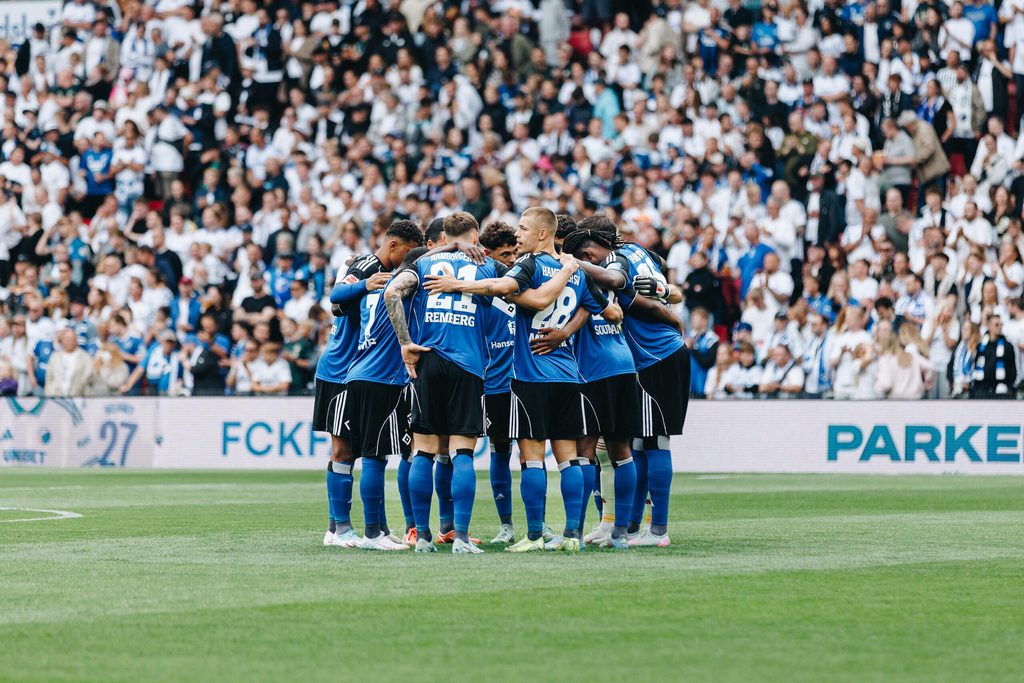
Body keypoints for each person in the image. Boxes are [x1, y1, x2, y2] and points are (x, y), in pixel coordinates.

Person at [424, 207, 621, 552]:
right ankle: (573, 535)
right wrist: (565, 329)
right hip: (568, 375)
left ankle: (532, 536)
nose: (518, 235)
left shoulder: (528, 265)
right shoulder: (574, 271)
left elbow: (502, 285)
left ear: (542, 233)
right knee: (569, 458)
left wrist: (457, 284)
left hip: (531, 374)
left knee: (532, 458)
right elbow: (611, 311)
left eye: (524, 228)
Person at [382, 212, 498, 555]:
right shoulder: (485, 266)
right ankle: (461, 537)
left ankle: (423, 537)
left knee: (423, 450)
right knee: (463, 451)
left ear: (443, 235)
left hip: (428, 359)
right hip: (468, 363)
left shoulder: (422, 263)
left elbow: (391, 295)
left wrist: (405, 343)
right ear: (474, 236)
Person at [313, 219, 423, 549]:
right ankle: (341, 528)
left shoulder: (379, 274)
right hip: (340, 369)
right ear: (393, 246)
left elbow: (338, 305)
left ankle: (355, 528)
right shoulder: (367, 266)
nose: (409, 263)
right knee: (347, 450)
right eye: (407, 253)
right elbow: (336, 297)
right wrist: (364, 283)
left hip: (354, 368)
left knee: (360, 450)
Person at [476, 221, 520, 544]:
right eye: (505, 254)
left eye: (514, 252)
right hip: (495, 386)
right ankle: (506, 526)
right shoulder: (479, 289)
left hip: (527, 382)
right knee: (500, 453)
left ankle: (539, 525)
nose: (512, 260)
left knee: (534, 455)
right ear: (488, 254)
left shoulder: (524, 280)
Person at [874, 328, 935, 399]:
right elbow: (931, 367)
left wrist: (876, 388)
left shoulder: (885, 360)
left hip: (897, 401)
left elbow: (886, 384)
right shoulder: (912, 356)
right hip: (916, 399)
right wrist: (926, 383)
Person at [970, 314, 1018, 396]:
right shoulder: (981, 346)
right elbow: (976, 367)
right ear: (989, 326)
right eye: (996, 325)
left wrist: (1008, 386)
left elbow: (1012, 370)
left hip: (1001, 390)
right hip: (982, 390)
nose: (999, 327)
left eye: (1001, 324)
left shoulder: (1007, 346)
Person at [44, 328, 94, 397]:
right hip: (56, 398)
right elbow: (49, 378)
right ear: (62, 341)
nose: (70, 342)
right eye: (67, 339)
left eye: (72, 339)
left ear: (76, 341)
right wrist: (49, 392)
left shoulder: (85, 357)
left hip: (78, 397)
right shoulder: (55, 356)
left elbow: (89, 377)